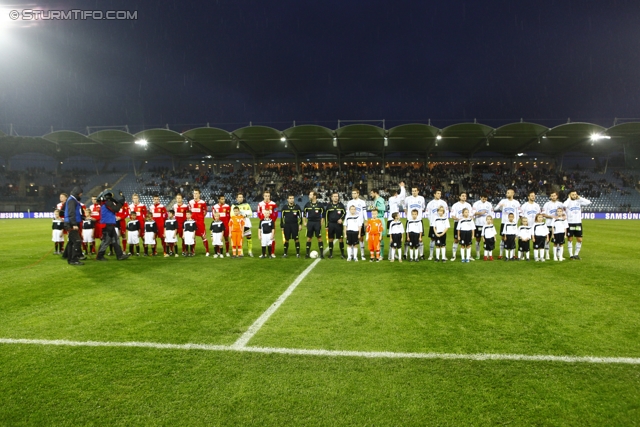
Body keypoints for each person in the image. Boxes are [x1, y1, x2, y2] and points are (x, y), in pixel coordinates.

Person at [96, 190, 130, 261]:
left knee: (115, 240)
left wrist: (120, 203)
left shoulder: (104, 203)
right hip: (107, 224)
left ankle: (119, 255)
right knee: (107, 241)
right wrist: (121, 202)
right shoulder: (107, 203)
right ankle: (100, 256)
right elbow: (116, 209)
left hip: (108, 224)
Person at [564, 190, 591, 260]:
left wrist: (580, 198)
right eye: (572, 194)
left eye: (575, 194)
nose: (574, 196)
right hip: (570, 223)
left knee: (579, 239)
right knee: (570, 239)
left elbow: (589, 202)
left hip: (578, 223)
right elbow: (564, 205)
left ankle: (576, 254)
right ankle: (571, 255)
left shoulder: (579, 201)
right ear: (569, 195)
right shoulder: (568, 202)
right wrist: (569, 198)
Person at [494, 188, 521, 259]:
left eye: (508, 193)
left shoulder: (516, 202)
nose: (507, 194)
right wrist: (500, 206)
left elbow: (519, 213)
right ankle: (501, 254)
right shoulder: (503, 201)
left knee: (513, 239)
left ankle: (513, 254)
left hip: (513, 223)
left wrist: (516, 221)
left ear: (513, 193)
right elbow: (495, 209)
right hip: (504, 223)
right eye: (506, 192)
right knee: (503, 238)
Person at [404, 186, 426, 260]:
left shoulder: (421, 198)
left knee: (420, 238)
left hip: (419, 220)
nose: (414, 192)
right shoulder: (408, 199)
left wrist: (418, 216)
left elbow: (422, 208)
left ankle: (421, 254)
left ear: (418, 191)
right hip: (410, 221)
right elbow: (404, 207)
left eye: (415, 191)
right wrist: (408, 215)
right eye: (412, 191)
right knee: (407, 239)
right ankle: (405, 254)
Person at [346, 188, 368, 260]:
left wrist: (366, 220)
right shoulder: (349, 202)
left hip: (360, 223)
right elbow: (347, 213)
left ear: (358, 194)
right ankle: (351, 254)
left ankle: (362, 254)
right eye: (352, 193)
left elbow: (364, 212)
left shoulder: (362, 202)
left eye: (355, 193)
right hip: (352, 223)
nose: (353, 195)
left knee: (361, 238)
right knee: (351, 239)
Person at [426, 189, 448, 260]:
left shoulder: (444, 203)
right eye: (438, 193)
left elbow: (446, 213)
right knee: (432, 239)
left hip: (442, 225)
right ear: (434, 194)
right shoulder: (430, 203)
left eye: (440, 193)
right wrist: (432, 222)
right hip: (434, 225)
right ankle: (431, 255)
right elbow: (427, 214)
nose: (439, 195)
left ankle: (443, 255)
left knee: (443, 240)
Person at [450, 192, 472, 261]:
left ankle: (469, 255)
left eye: (465, 196)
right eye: (462, 196)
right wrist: (458, 219)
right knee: (456, 240)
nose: (464, 197)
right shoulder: (455, 205)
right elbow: (452, 216)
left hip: (467, 224)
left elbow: (471, 215)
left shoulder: (468, 205)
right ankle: (454, 255)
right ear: (459, 197)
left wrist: (469, 220)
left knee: (468, 240)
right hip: (458, 224)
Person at [230, 192, 254, 257]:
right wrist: (240, 215)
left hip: (247, 223)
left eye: (241, 197)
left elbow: (251, 213)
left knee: (249, 238)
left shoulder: (246, 205)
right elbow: (232, 215)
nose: (241, 198)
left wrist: (245, 215)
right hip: (239, 225)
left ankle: (250, 251)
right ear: (237, 198)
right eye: (239, 197)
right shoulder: (234, 206)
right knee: (240, 239)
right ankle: (241, 252)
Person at [542, 191, 563, 260]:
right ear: (550, 197)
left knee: (557, 240)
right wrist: (552, 217)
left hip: (558, 225)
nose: (553, 197)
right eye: (552, 196)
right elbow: (543, 214)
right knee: (547, 239)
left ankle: (558, 253)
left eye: (554, 195)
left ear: (557, 196)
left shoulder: (560, 204)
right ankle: (547, 253)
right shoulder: (547, 204)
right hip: (548, 224)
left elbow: (564, 214)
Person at [387, 182, 406, 260]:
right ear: (394, 194)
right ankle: (391, 255)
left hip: (393, 219)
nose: (397, 195)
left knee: (395, 239)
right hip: (392, 220)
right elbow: (402, 196)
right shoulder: (392, 199)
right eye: (396, 194)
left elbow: (401, 197)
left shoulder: (393, 199)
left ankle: (392, 255)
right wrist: (402, 187)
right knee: (392, 239)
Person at [188, 188, 210, 256]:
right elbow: (189, 211)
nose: (195, 195)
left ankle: (207, 251)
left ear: (199, 194)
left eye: (196, 193)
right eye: (194, 193)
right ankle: (193, 252)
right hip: (192, 222)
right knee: (193, 237)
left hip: (200, 223)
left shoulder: (202, 203)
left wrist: (200, 218)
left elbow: (205, 212)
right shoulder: (190, 202)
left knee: (203, 237)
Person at [304, 191, 325, 259]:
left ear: (314, 196)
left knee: (319, 238)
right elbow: (304, 214)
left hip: (317, 223)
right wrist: (304, 222)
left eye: (310, 194)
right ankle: (307, 254)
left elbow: (323, 215)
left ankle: (321, 254)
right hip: (310, 222)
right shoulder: (307, 205)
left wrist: (321, 222)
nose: (309, 196)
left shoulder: (320, 205)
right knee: (309, 238)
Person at [325, 192, 346, 259]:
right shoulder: (329, 206)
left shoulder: (341, 205)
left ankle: (342, 254)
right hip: (331, 224)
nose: (336, 197)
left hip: (338, 225)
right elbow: (326, 216)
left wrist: (341, 219)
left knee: (340, 239)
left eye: (337, 196)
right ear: (331, 197)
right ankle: (330, 254)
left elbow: (344, 213)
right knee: (331, 239)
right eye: (334, 196)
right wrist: (326, 226)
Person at [472, 194, 493, 260]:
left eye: (486, 198)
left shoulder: (489, 204)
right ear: (480, 197)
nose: (484, 200)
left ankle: (486, 254)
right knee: (478, 239)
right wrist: (480, 213)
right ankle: (477, 253)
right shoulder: (476, 204)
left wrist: (491, 225)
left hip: (487, 225)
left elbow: (491, 215)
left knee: (487, 239)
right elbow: (473, 213)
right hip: (478, 224)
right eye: (483, 198)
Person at [257, 190, 278, 255]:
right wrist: (262, 219)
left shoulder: (274, 204)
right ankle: (264, 253)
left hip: (271, 223)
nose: (267, 197)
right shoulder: (260, 204)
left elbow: (276, 213)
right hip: (263, 223)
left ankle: (272, 252)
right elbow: (258, 213)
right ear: (263, 196)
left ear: (270, 196)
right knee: (263, 238)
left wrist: (272, 220)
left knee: (272, 238)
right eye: (265, 196)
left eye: (268, 196)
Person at [369, 188, 387, 258]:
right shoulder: (376, 200)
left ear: (375, 193)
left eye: (371, 193)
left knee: (380, 237)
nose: (371, 194)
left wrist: (373, 207)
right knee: (376, 237)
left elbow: (383, 208)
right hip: (376, 219)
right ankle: (378, 253)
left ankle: (381, 255)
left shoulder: (380, 199)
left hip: (379, 219)